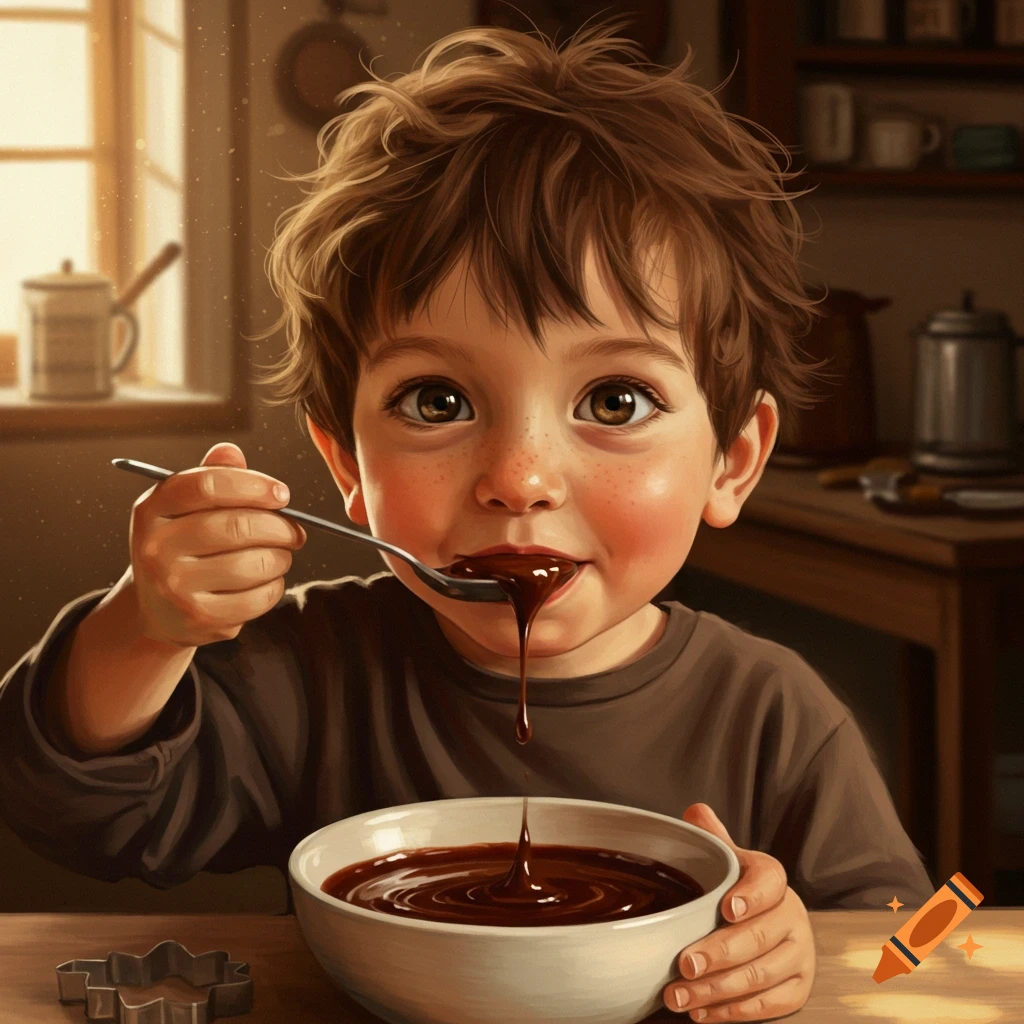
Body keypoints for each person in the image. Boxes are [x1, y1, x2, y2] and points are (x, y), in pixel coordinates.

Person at [0, 24, 932, 1022]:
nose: (519, 476)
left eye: (614, 401)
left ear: (731, 459)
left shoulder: (777, 713)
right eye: (437, 401)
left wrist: (811, 953)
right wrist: (146, 624)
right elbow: (70, 809)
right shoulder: (309, 670)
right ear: (344, 463)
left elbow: (932, 934)